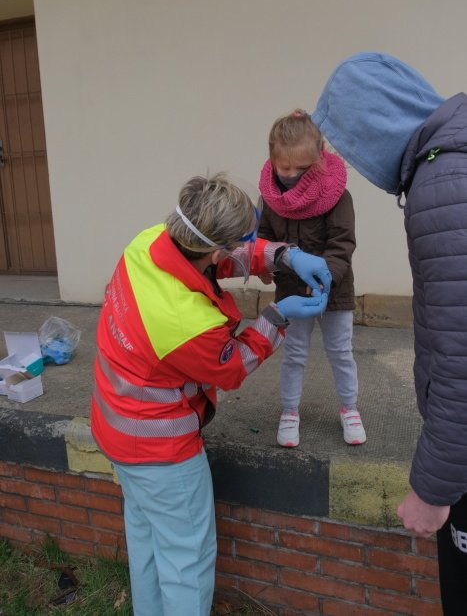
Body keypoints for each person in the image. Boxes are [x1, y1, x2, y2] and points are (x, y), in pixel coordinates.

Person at [90, 172, 330, 616]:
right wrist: (278, 315)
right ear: (215, 245)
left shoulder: (151, 241)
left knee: (147, 547)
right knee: (187, 563)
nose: (249, 243)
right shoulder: (184, 322)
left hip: (116, 430)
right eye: (247, 237)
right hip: (161, 452)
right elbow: (231, 366)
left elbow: (217, 259)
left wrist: (283, 256)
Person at [310, 51, 467, 614]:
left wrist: (432, 488)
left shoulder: (445, 179)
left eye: (348, 140)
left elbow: (461, 352)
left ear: (374, 124)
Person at [257, 109, 366, 448]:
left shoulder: (337, 196)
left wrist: (325, 276)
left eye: (301, 169)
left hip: (335, 290)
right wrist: (265, 266)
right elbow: (262, 240)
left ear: (318, 161)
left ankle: (350, 408)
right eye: (283, 167)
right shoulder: (270, 200)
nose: (290, 175)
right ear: (273, 160)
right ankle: (290, 412)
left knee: (340, 351)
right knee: (294, 355)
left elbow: (342, 243)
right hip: (291, 290)